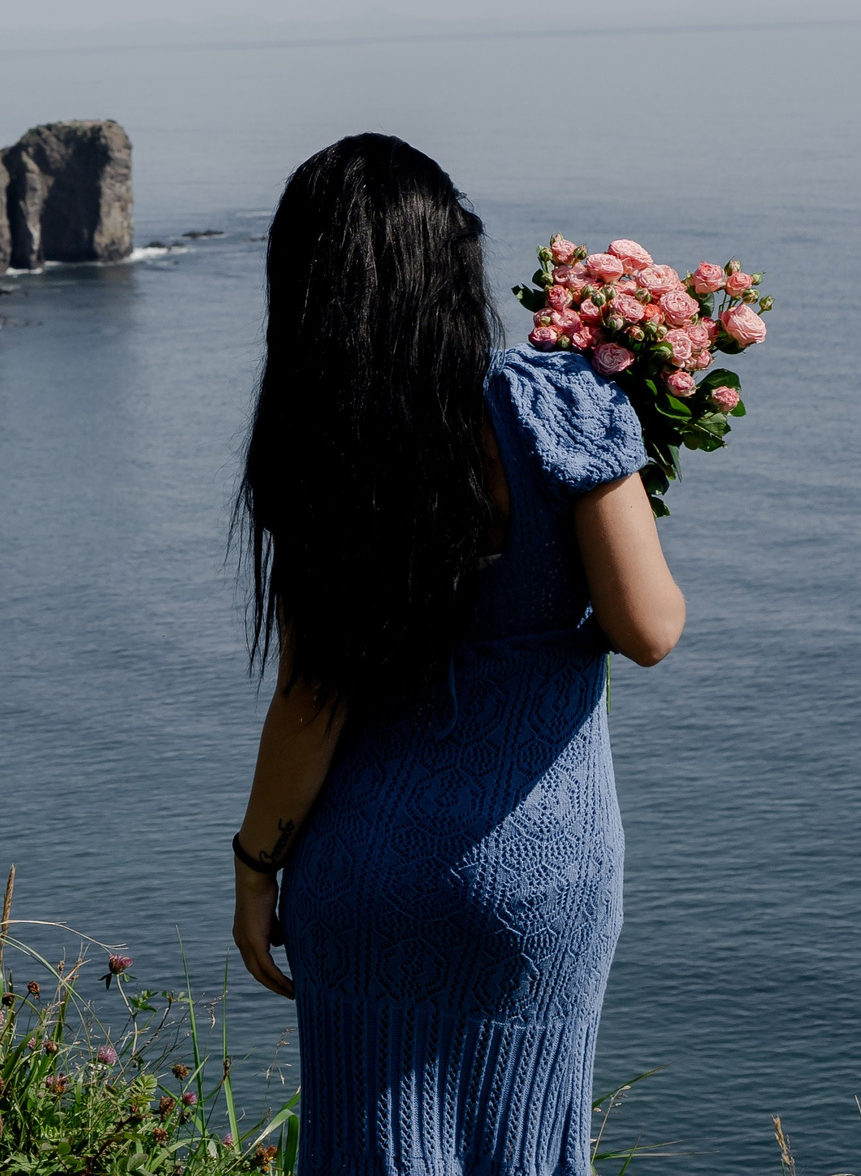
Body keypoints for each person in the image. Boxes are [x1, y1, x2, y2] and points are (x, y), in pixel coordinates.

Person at [229, 135, 685, 1176]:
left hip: (363, 875)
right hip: (538, 872)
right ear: (456, 259)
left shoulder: (316, 450)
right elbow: (648, 628)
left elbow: (309, 701)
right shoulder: (559, 402)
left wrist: (256, 867)